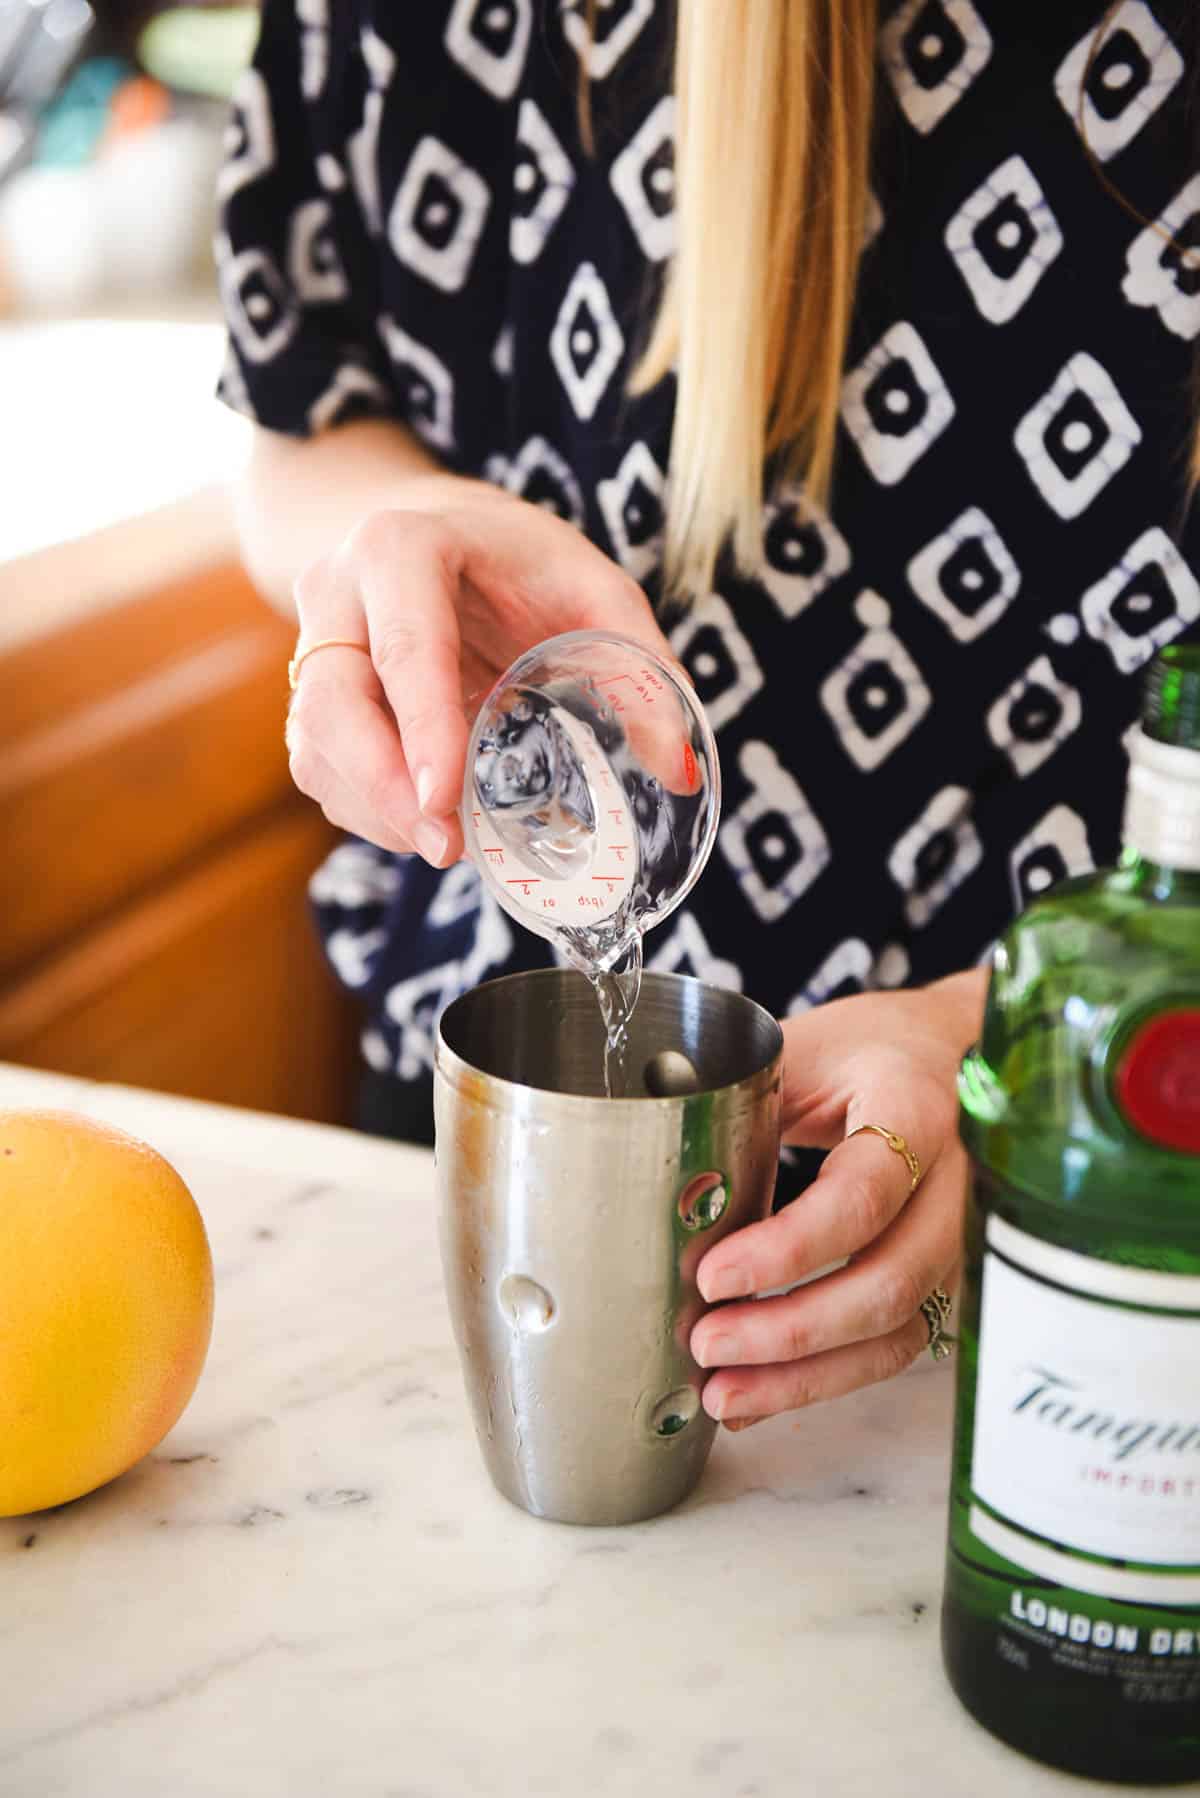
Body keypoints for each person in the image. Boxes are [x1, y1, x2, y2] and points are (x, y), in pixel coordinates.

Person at [217, 0, 1200, 1430]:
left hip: (1114, 1230)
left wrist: (1017, 1037)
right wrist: (406, 539)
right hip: (497, 1198)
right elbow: (301, 419)